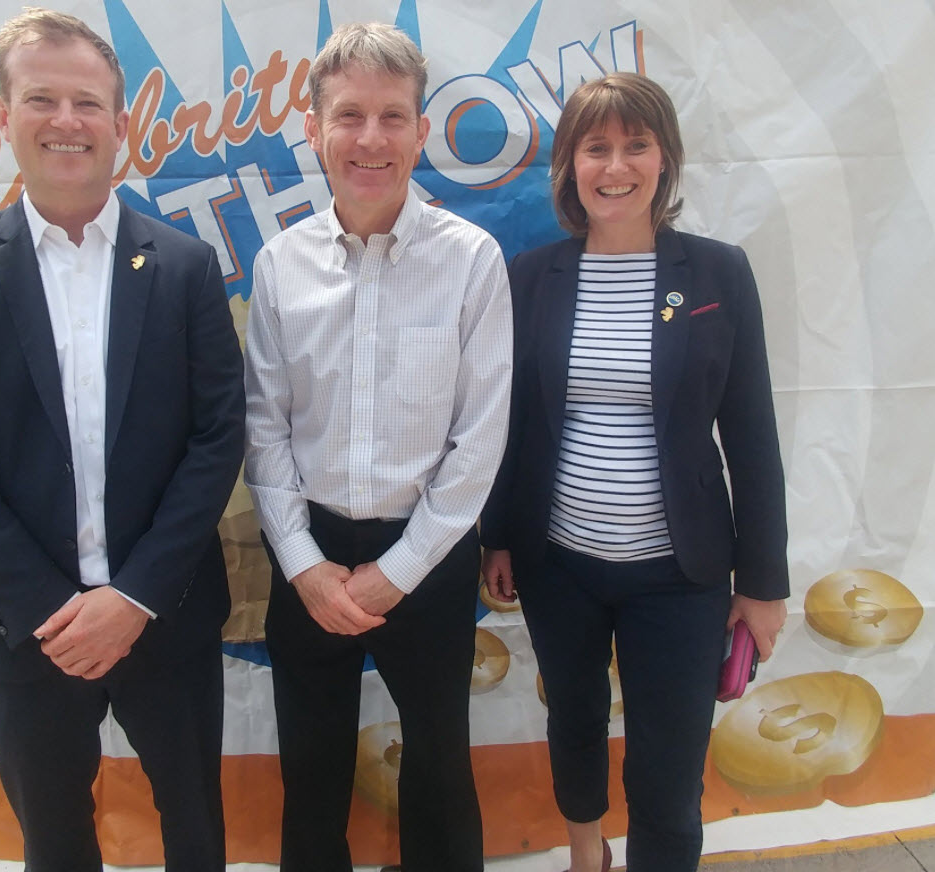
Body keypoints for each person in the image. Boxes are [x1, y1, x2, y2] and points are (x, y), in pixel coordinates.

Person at [0, 8, 245, 871]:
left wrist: (134, 598)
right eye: (41, 98)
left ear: (121, 123)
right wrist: (53, 611)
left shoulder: (187, 266)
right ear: (3, 115)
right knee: (53, 844)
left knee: (196, 833)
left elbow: (215, 439)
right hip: (24, 632)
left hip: (165, 616)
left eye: (87, 102)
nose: (66, 121)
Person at [480, 72, 789, 872]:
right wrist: (499, 537)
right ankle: (588, 854)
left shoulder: (718, 274)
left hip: (681, 575)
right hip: (559, 565)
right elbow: (515, 423)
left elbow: (752, 432)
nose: (615, 166)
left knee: (669, 765)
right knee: (574, 721)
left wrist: (763, 584)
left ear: (665, 159)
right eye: (596, 148)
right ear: (571, 167)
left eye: (636, 145)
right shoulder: (532, 276)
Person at [243, 22, 513, 872]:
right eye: (349, 115)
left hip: (429, 554)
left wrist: (398, 570)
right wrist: (304, 565)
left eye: (393, 116)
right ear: (313, 129)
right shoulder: (280, 265)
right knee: (310, 772)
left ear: (422, 131)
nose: (371, 138)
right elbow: (264, 426)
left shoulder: (472, 261)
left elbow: (480, 437)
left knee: (440, 772)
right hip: (310, 555)